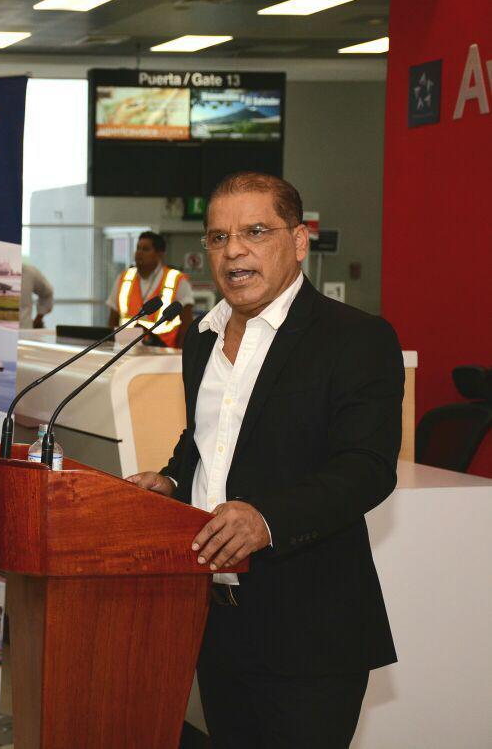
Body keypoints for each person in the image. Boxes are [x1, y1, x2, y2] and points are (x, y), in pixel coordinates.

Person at [127, 172, 403, 747]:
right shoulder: (202, 337)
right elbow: (203, 442)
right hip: (214, 620)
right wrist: (173, 482)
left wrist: (266, 519)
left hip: (308, 626)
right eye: (218, 237)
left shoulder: (356, 338)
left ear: (298, 241)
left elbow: (366, 466)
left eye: (255, 231)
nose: (234, 251)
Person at [106, 231, 194, 348]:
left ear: (160, 254)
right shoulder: (123, 278)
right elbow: (113, 319)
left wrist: (181, 355)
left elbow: (187, 324)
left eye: (146, 249)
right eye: (138, 248)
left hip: (164, 352)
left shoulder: (177, 280)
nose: (139, 253)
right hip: (125, 350)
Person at [19, 262, 54, 330]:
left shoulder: (29, 272)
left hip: (23, 332)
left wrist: (38, 319)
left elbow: (47, 293)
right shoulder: (29, 271)